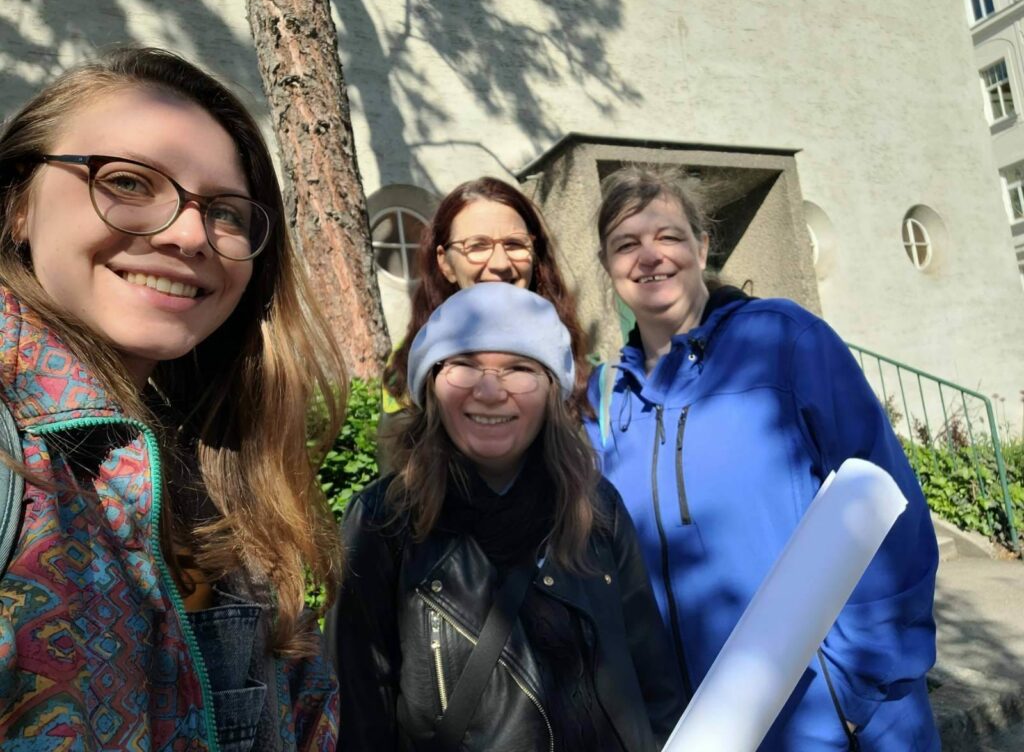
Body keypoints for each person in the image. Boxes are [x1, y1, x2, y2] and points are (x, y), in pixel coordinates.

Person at [0, 48, 344, 750]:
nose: (189, 235)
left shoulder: (224, 473)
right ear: (17, 206)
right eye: (126, 181)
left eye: (224, 212)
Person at [586, 166, 940, 751]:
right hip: (704, 733)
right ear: (608, 266)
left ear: (702, 246)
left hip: (834, 718)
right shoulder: (606, 402)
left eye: (668, 236)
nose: (649, 257)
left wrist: (861, 690)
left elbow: (882, 502)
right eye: (626, 244)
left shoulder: (784, 340)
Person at [329, 282, 686, 751]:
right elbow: (357, 711)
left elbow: (655, 683)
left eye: (518, 368)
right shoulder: (383, 522)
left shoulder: (596, 507)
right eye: (465, 365)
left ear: (550, 390)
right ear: (431, 384)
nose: (490, 390)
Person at [381, 177, 591, 422]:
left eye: (514, 244)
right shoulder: (405, 368)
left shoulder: (575, 360)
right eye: (478, 246)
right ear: (445, 263)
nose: (500, 264)